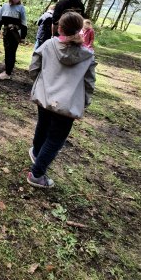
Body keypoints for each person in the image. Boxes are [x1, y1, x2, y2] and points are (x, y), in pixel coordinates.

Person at [27, 12, 96, 188]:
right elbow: (89, 84)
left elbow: (33, 67)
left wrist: (41, 84)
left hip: (45, 97)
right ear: (80, 30)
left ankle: (36, 154)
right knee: (55, 139)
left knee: (42, 127)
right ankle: (36, 174)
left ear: (59, 28)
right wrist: (84, 102)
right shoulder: (87, 55)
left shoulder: (48, 45)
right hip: (68, 104)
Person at [0, 0, 28, 80]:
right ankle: (7, 69)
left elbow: (24, 23)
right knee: (7, 51)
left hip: (15, 34)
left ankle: (8, 73)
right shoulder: (5, 6)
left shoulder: (21, 8)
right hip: (6, 33)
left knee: (11, 52)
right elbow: (0, 20)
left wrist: (23, 37)